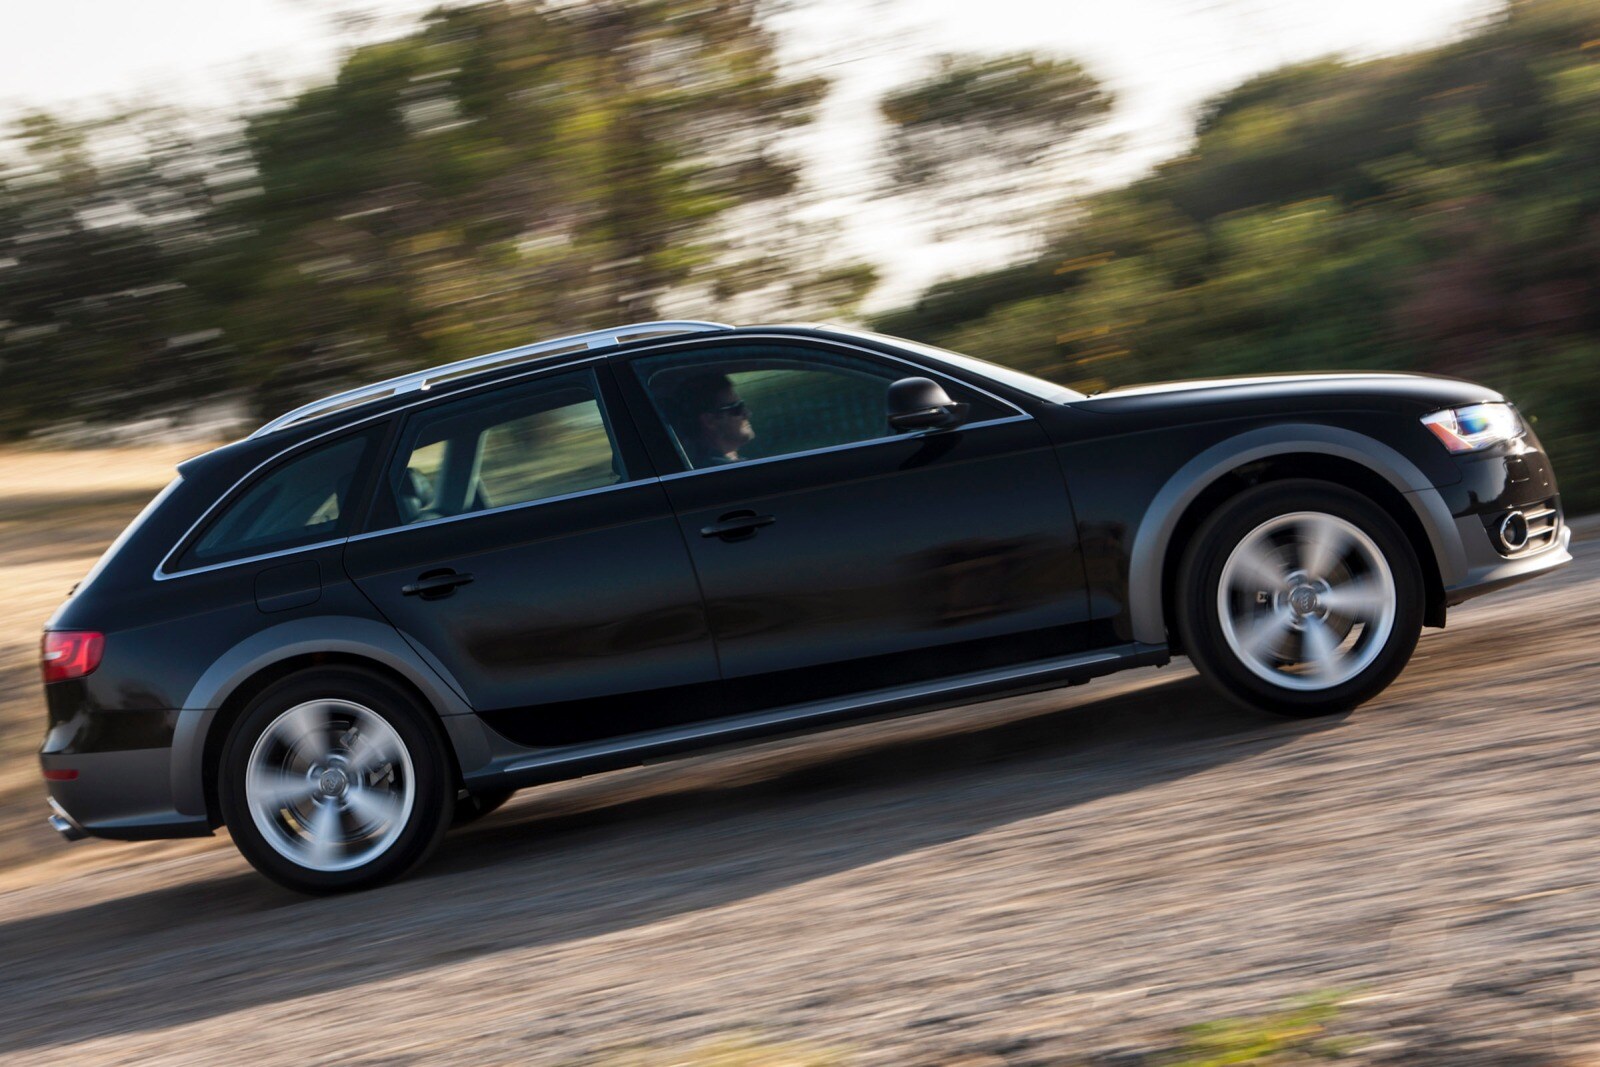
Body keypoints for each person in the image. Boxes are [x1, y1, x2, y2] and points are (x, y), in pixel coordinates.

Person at [671, 371, 755, 467]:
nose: (747, 414)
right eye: (737, 409)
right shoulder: (719, 469)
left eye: (742, 405)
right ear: (709, 421)